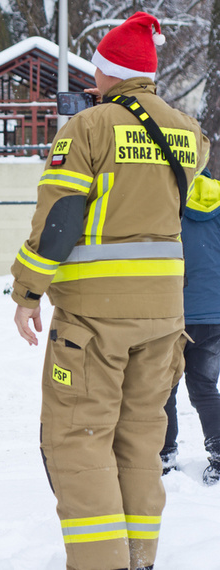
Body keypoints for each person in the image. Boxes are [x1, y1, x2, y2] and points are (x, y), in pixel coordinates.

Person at [11, 12, 209, 570]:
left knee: (79, 439)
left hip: (95, 317)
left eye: (95, 72)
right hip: (167, 316)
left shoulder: (89, 127)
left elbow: (61, 218)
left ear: (108, 72)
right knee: (141, 442)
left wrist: (27, 291)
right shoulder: (188, 134)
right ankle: (140, 558)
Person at [161, 172, 220, 485]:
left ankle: (164, 458)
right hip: (215, 314)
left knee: (163, 389)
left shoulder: (167, 197)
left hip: (175, 313)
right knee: (205, 388)